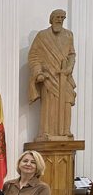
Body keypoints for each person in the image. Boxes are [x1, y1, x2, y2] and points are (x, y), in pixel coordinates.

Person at [28, 9, 76, 140]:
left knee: (68, 99)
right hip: (49, 77)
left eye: (62, 17)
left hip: (64, 77)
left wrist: (69, 67)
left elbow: (72, 54)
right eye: (57, 17)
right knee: (49, 103)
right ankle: (46, 132)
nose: (60, 19)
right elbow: (34, 56)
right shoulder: (42, 36)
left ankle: (66, 131)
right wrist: (38, 73)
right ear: (51, 19)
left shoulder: (69, 35)